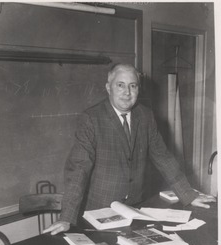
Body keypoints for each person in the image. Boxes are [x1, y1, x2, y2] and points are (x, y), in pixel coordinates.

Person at [44, 64, 216, 235]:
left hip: (136, 209)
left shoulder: (146, 116)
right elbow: (79, 169)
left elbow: (163, 158)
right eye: (120, 85)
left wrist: (188, 194)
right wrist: (66, 217)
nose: (127, 92)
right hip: (100, 212)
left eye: (132, 86)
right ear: (108, 87)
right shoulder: (91, 119)